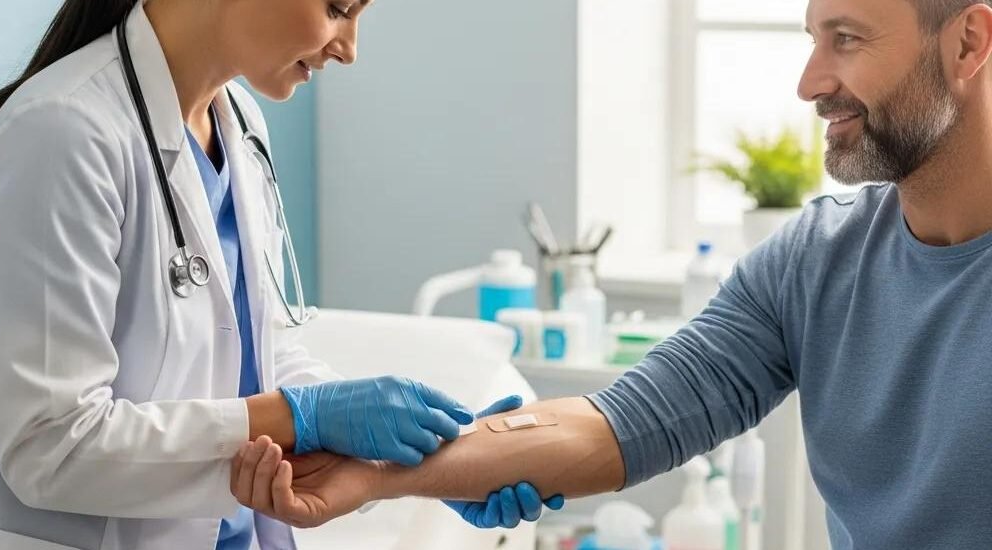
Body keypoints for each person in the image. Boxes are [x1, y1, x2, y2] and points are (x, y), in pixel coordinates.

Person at [233, 1, 992, 548]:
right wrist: (378, 476)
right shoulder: (814, 264)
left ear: (968, 43)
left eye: (847, 39)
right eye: (812, 38)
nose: (809, 81)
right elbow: (618, 424)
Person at [0, 1, 558, 549]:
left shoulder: (238, 122)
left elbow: (259, 352)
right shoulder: (60, 134)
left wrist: (414, 461)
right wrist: (303, 415)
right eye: (337, 9)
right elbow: (49, 448)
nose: (348, 47)